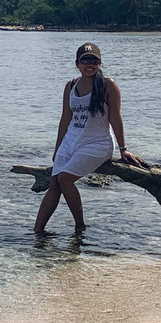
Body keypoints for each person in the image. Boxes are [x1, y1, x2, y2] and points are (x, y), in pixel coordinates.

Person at [33, 42, 143, 234]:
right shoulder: (70, 86)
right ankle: (37, 232)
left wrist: (123, 149)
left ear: (99, 63)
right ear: (77, 63)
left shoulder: (108, 85)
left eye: (94, 60)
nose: (89, 64)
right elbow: (65, 119)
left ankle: (80, 226)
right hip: (70, 142)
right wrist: (58, 148)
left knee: (65, 179)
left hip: (97, 144)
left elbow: (115, 118)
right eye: (85, 60)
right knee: (54, 185)